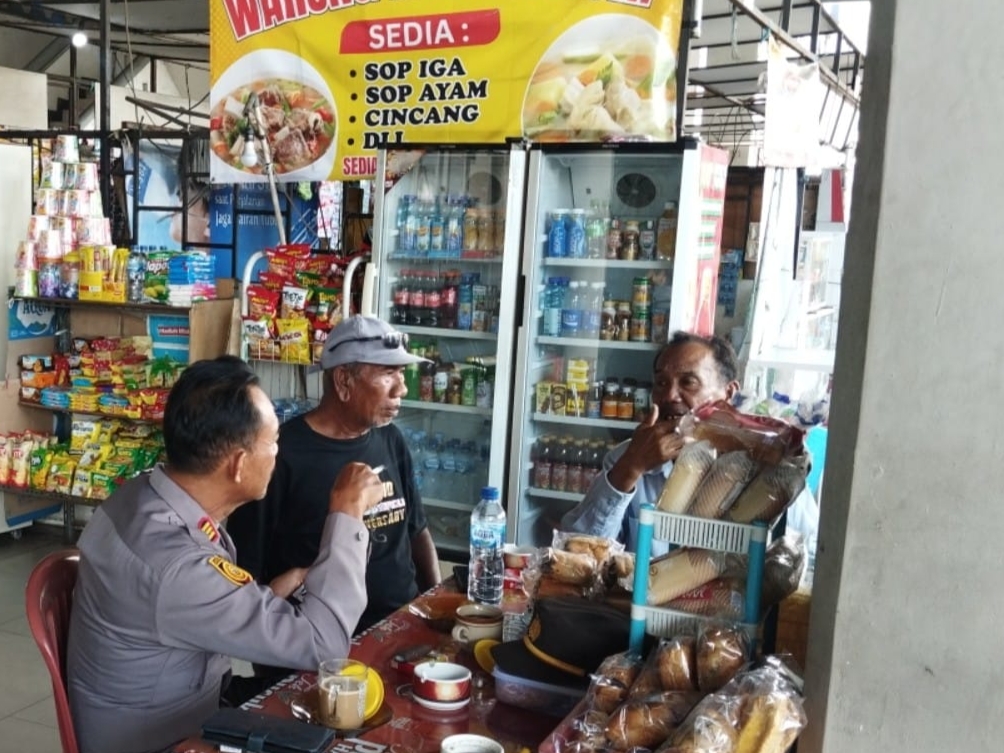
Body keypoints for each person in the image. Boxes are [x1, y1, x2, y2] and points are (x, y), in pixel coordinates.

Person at [66, 356, 385, 753]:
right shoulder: (177, 566)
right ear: (238, 464)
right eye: (274, 442)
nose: (278, 453)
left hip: (170, 708)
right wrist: (347, 511)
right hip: (168, 739)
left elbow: (180, 603)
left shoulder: (138, 496)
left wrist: (262, 595)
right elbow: (322, 646)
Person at [227, 315, 442, 634]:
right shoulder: (279, 454)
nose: (402, 388)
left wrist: (435, 604)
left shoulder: (390, 438)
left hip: (403, 624)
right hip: (322, 640)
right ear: (343, 381)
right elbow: (248, 570)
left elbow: (416, 530)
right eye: (388, 373)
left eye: (400, 372)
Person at [561, 331, 819, 553]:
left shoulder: (766, 466)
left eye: (688, 382)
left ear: (728, 393)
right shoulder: (626, 458)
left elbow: (807, 550)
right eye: (661, 383)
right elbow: (575, 551)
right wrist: (631, 467)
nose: (669, 395)